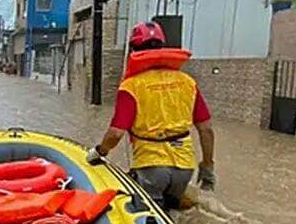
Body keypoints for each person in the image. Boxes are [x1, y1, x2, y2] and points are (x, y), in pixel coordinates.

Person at [87, 21, 216, 209]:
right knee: (174, 213)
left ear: (133, 50)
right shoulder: (187, 82)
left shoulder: (131, 86)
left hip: (151, 167)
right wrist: (207, 166)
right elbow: (206, 130)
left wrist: (100, 152)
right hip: (185, 167)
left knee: (151, 217)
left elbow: (115, 134)